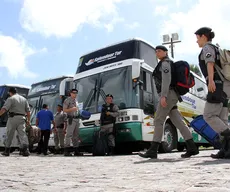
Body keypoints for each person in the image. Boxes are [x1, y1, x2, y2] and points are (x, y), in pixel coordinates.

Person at [139, 45, 199, 159]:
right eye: (156, 51)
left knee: (158, 120)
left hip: (168, 95)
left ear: (166, 52)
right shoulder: (165, 63)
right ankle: (192, 147)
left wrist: (163, 96)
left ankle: (153, 150)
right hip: (172, 95)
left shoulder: (165, 63)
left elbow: (166, 80)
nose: (157, 53)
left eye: (159, 51)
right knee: (178, 122)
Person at [195, 27, 230, 158]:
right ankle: (226, 150)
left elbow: (210, 63)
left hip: (217, 86)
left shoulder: (207, 48)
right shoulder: (216, 48)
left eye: (197, 38)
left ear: (203, 36)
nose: (196, 41)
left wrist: (210, 81)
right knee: (222, 119)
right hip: (225, 87)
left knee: (208, 116)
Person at [0, 87, 30, 156]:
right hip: (22, 118)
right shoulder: (24, 99)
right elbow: (28, 112)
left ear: (10, 92)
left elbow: (4, 109)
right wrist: (28, 121)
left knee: (9, 134)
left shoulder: (11, 99)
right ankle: (25, 150)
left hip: (12, 118)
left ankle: (7, 151)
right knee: (22, 134)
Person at [63, 89, 82, 156]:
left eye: (76, 93)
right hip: (71, 119)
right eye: (74, 93)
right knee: (69, 134)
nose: (75, 94)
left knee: (76, 135)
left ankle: (76, 150)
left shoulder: (76, 100)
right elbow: (64, 110)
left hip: (77, 119)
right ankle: (66, 150)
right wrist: (72, 109)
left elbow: (77, 109)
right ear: (70, 93)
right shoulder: (67, 100)